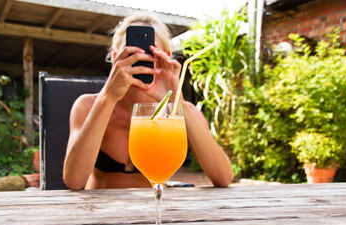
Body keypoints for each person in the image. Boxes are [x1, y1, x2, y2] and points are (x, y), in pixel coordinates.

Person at [63, 14, 233, 190]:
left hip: (156, 209)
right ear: (115, 57)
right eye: (132, 53)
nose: (140, 59)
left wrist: (178, 101)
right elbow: (74, 181)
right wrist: (108, 97)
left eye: (149, 53)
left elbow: (223, 177)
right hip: (98, 211)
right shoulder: (87, 105)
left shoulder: (178, 112)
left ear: (166, 57)